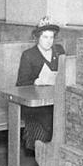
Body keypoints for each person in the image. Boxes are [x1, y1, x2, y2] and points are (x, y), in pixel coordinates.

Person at [16, 17, 65, 148]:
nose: (49, 41)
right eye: (45, 37)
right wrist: (36, 82)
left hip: (55, 98)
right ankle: (46, 150)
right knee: (49, 117)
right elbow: (21, 84)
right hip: (37, 104)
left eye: (51, 37)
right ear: (38, 37)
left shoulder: (59, 51)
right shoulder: (29, 55)